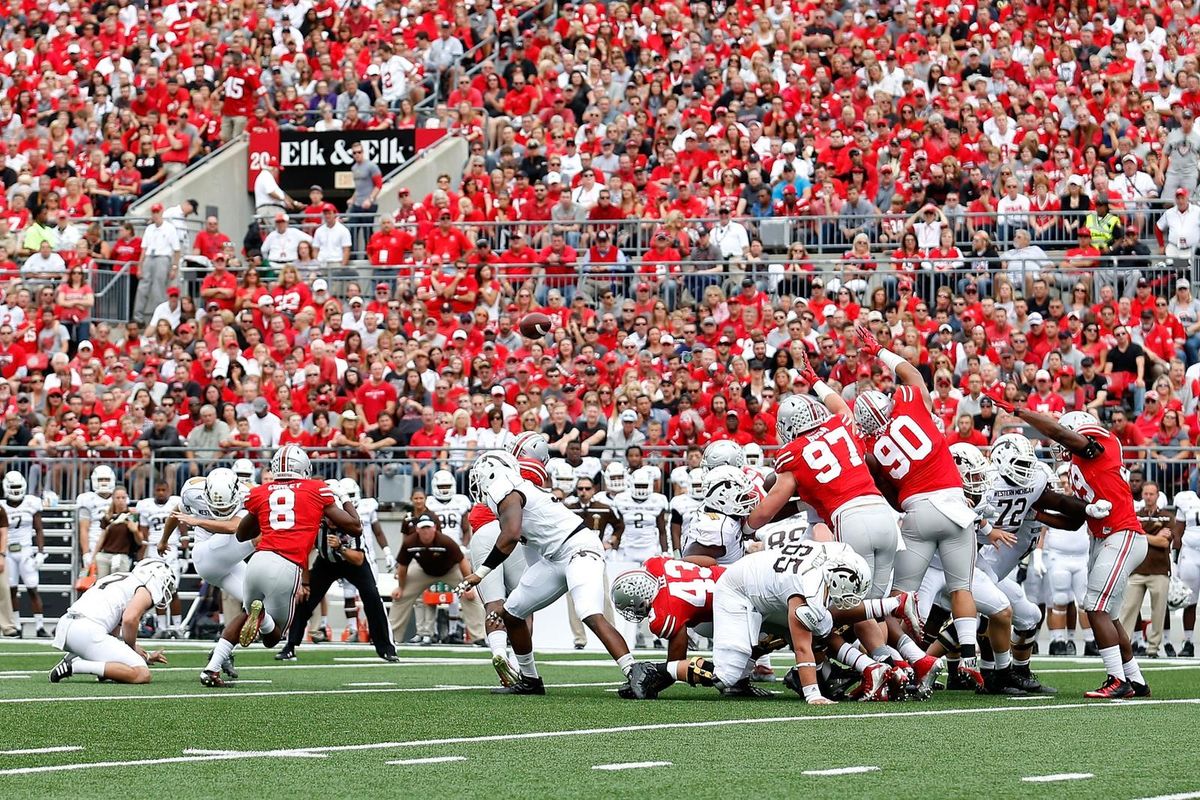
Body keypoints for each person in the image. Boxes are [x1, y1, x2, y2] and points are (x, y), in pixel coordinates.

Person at [456, 451, 657, 698]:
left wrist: (481, 573)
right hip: (555, 557)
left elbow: (510, 535)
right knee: (512, 612)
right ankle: (530, 680)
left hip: (579, 548)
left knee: (588, 612)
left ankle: (635, 671)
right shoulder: (519, 490)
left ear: (492, 474)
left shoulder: (507, 490)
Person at [852, 325, 982, 686]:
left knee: (897, 598)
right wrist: (878, 349)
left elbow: (890, 496)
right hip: (953, 505)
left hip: (915, 511)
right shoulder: (909, 402)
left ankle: (904, 659)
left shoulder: (872, 453)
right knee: (961, 589)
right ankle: (968, 658)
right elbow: (910, 371)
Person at [991, 404, 1150, 698]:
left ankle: (1116, 679)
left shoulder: (1103, 445)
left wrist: (1020, 412)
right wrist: (1035, 514)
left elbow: (1057, 431)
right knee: (1109, 614)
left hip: (1122, 534)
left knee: (1095, 607)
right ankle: (1135, 679)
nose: (1060, 445)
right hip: (1105, 539)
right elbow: (1073, 521)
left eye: (1065, 437)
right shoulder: (1078, 468)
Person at [199, 444, 361, 687]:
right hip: (286, 566)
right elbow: (354, 526)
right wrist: (344, 497)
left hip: (257, 562)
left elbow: (243, 535)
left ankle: (211, 669)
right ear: (304, 467)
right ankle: (261, 616)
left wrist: (264, 520)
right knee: (273, 638)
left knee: (245, 614)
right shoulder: (317, 489)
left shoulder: (262, 491)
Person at [276, 479, 398, 663]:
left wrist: (341, 547)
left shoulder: (352, 524)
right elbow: (303, 553)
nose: (331, 520)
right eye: (327, 515)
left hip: (352, 562)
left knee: (372, 597)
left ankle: (386, 648)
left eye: (334, 515)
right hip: (326, 563)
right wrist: (306, 582)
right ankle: (290, 646)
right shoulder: (314, 523)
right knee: (305, 599)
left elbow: (359, 559)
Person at [48, 559, 175, 684]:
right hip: (87, 630)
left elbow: (112, 635)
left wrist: (142, 655)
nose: (166, 587)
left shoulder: (122, 579)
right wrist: (132, 649)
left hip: (68, 625)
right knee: (142, 674)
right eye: (165, 582)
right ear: (153, 575)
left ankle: (75, 659)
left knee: (123, 663)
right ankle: (75, 666)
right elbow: (130, 619)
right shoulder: (143, 588)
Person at [1119, 482, 1173, 658]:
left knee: (1158, 612)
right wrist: (1153, 536)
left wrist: (1142, 534)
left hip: (1159, 570)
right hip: (1137, 569)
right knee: (1128, 609)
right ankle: (1123, 646)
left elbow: (1164, 542)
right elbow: (1131, 536)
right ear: (1142, 495)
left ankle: (1153, 648)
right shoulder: (1135, 515)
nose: (1149, 497)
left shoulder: (1166, 516)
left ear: (1158, 495)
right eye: (1146, 494)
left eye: (1152, 494)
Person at [3, 471, 46, 637]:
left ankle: (40, 626)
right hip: (8, 552)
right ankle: (17, 626)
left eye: (17, 487)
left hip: (26, 550)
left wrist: (41, 552)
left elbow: (39, 529)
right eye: (12, 487)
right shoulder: (2, 506)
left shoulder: (31, 503)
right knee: (12, 590)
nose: (15, 490)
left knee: (32, 589)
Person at [133, 203, 182, 325]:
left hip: (163, 257)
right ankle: (138, 317)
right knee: (142, 288)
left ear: (161, 212)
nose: (155, 215)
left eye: (157, 212)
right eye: (153, 212)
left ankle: (159, 318)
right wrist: (140, 266)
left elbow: (177, 250)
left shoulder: (169, 228)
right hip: (149, 257)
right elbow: (144, 249)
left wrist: (174, 267)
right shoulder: (149, 228)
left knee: (158, 289)